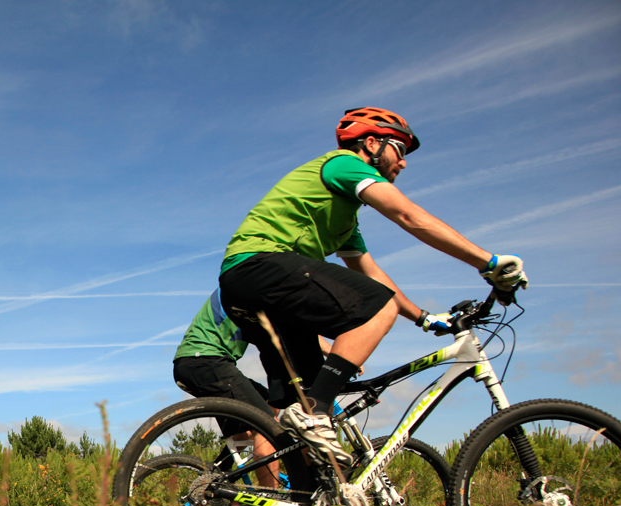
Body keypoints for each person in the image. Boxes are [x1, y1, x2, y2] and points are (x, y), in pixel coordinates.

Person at [218, 107, 528, 478]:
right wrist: (488, 262)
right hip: (259, 265)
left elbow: (372, 273)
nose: (404, 163)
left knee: (297, 420)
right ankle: (317, 412)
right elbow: (408, 216)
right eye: (400, 148)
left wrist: (424, 318)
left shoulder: (344, 217)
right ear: (371, 144)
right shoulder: (343, 165)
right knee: (373, 311)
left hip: (251, 286)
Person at [173, 288, 333, 506]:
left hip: (194, 363)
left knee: (260, 413)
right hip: (208, 360)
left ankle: (224, 479)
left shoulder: (243, 282)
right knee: (267, 427)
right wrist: (335, 355)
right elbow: (292, 330)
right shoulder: (257, 284)